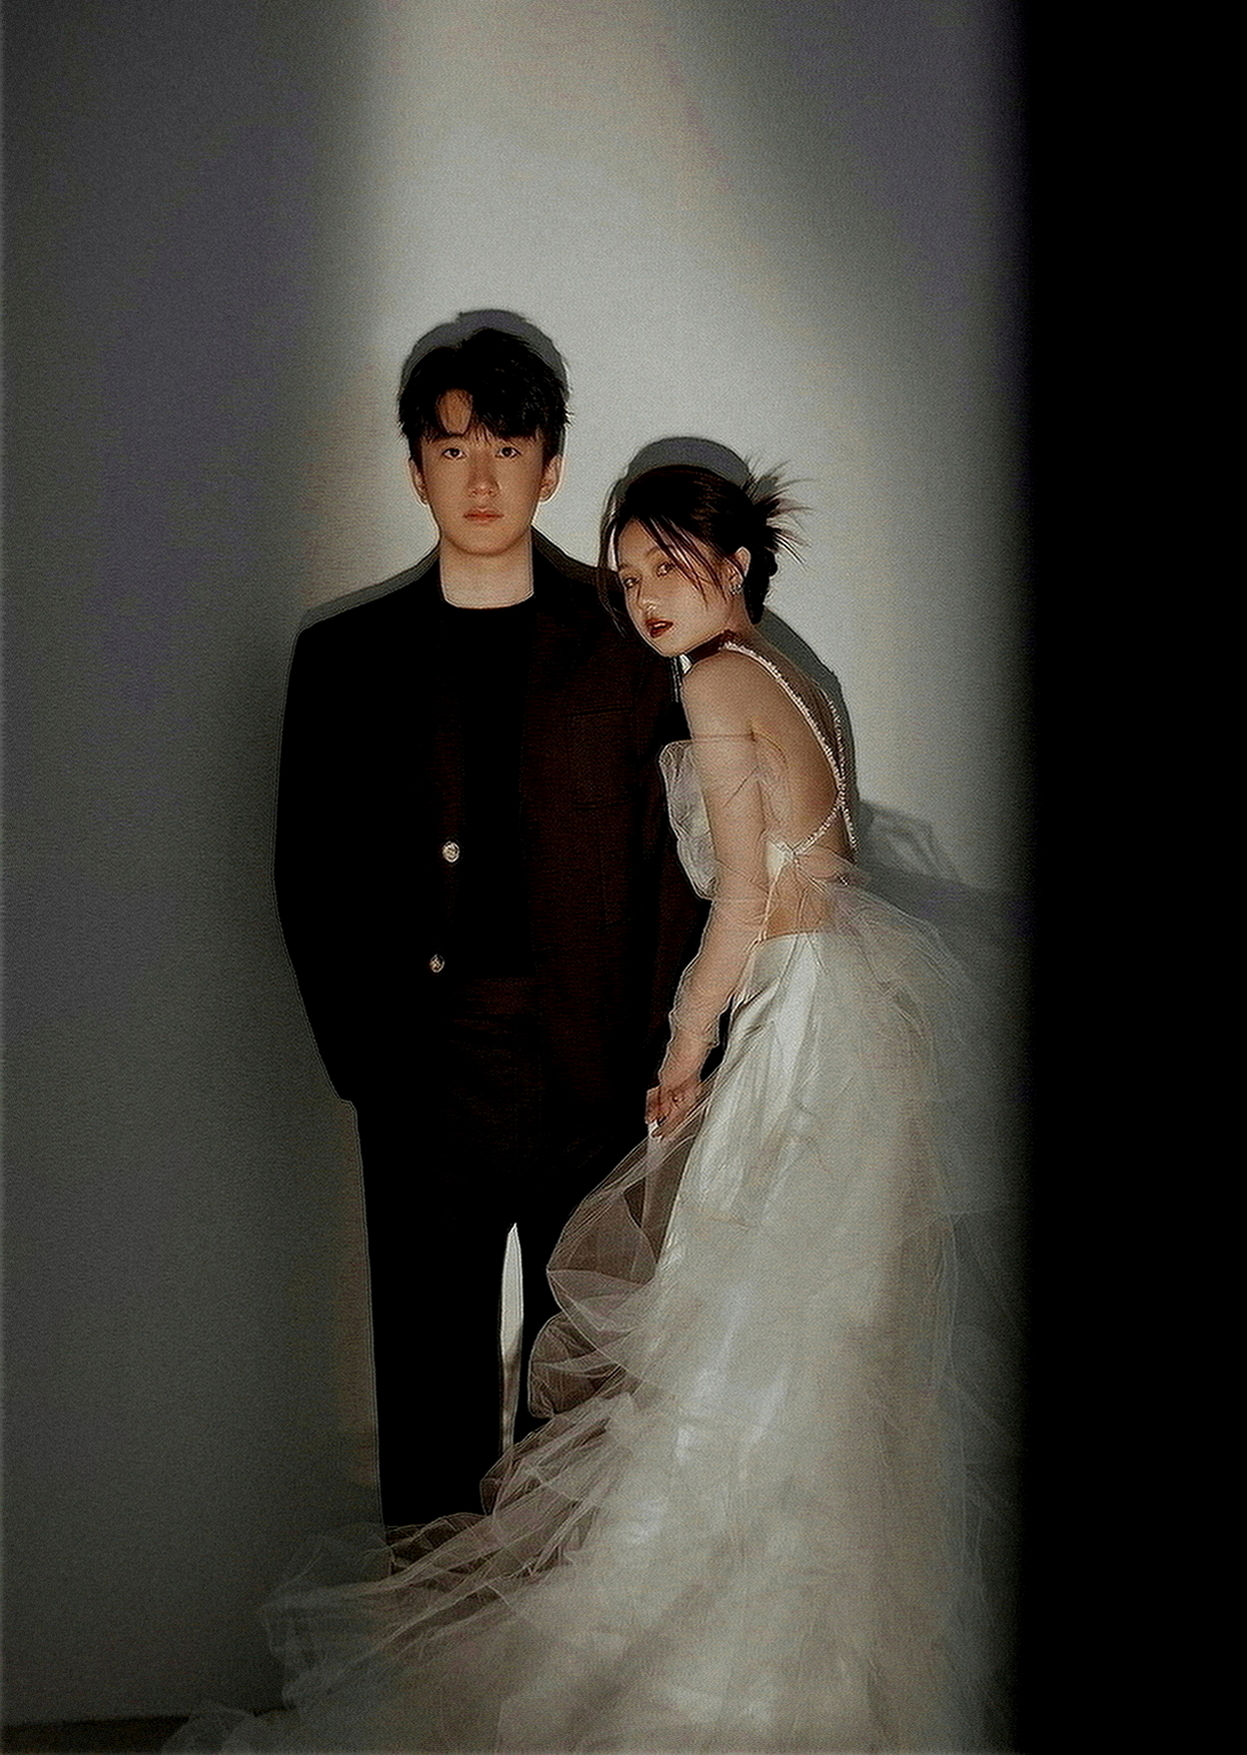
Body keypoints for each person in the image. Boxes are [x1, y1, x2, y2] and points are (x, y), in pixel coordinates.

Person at [197, 462, 1012, 1752]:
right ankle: (824, 1689)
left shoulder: (715, 683)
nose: (643, 602)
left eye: (664, 569)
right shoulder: (799, 674)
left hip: (796, 1026)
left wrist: (684, 1048)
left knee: (748, 1344)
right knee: (819, 1349)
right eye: (627, 579)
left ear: (732, 564)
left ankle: (719, 1680)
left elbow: (740, 902)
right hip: (851, 1022)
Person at [272, 331, 703, 1525]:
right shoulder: (344, 659)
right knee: (428, 1394)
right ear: (414, 467)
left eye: (508, 448)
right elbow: (308, 875)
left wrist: (659, 1052)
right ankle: (432, 1639)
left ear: (551, 468)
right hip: (425, 1070)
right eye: (453, 446)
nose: (480, 476)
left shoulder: (625, 641)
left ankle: (558, 1637)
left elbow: (675, 864)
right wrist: (370, 1064)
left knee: (585, 1388)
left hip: (590, 1070)